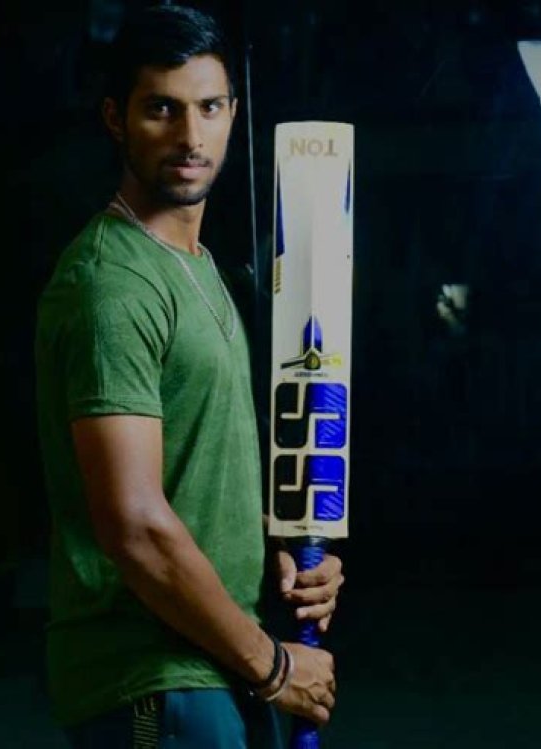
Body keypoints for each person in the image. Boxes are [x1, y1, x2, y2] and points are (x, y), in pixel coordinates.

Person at [35, 6, 344, 747]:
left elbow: (198, 475)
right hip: (153, 675)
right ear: (116, 118)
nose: (189, 136)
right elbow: (135, 524)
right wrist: (275, 666)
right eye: (161, 109)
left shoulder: (203, 272)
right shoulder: (111, 286)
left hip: (219, 658)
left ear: (233, 112)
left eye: (208, 107)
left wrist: (279, 560)